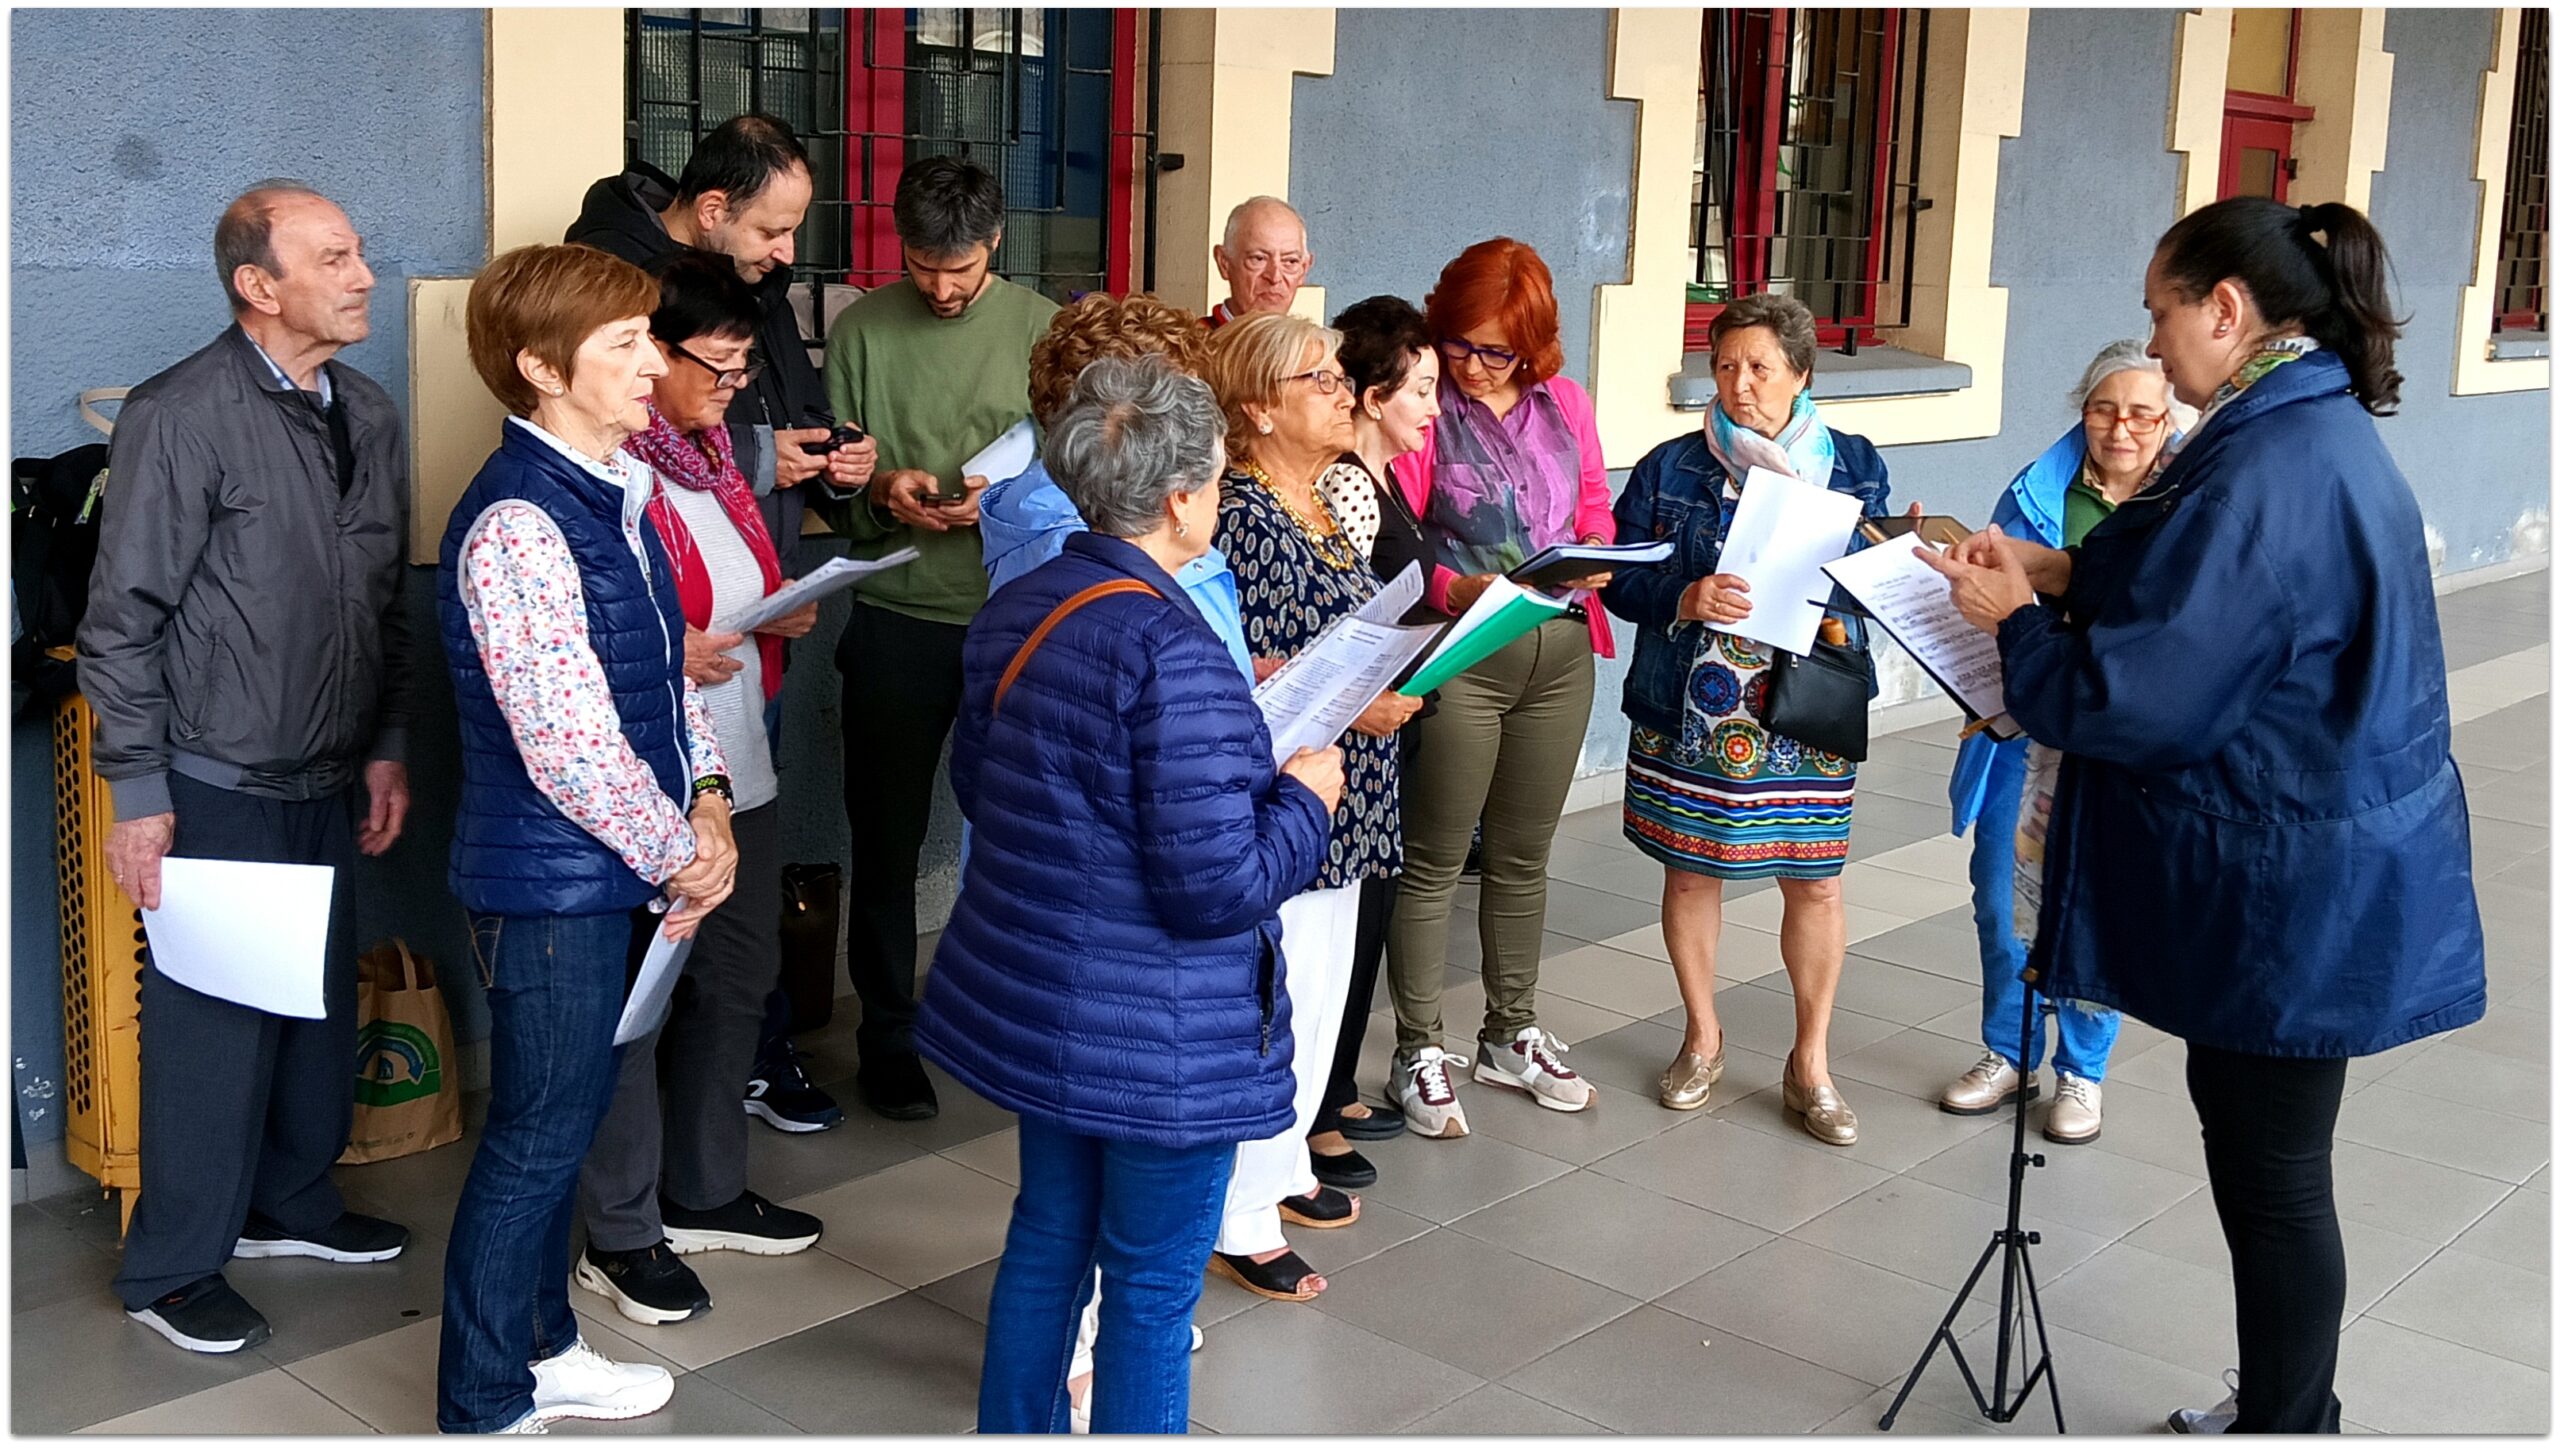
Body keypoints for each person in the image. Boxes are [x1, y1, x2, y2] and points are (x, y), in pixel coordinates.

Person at [1921, 197, 2488, 1434]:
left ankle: (2288, 1420)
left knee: (2275, 1178)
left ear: (2225, 309)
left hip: (2297, 875)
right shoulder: (2294, 425)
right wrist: (2056, 570)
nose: (2152, 342)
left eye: (2160, 312)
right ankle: (2285, 1406)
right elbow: (2180, 576)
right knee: (2266, 1160)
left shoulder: (2263, 466)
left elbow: (2135, 697)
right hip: (2322, 848)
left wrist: (2015, 628)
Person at [913, 354, 1341, 1433]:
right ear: (1184, 497)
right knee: (1150, 1288)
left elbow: (989, 785)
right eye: (1217, 479)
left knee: (1047, 1238)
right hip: (1160, 1035)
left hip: (1047, 1000)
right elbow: (1221, 887)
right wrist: (1305, 798)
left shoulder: (1023, 603)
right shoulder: (1173, 647)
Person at [80, 182, 415, 1355]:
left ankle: (288, 1202)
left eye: (359, 251)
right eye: (333, 258)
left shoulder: (367, 410)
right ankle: (171, 1268)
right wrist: (140, 795)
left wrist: (387, 744)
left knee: (312, 1013)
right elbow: (121, 623)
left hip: (329, 771)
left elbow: (386, 603)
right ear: (257, 285)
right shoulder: (180, 414)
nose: (363, 275)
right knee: (212, 1036)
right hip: (215, 777)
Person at [435, 243, 741, 1433]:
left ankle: (543, 1347)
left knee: (563, 1130)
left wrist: (708, 798)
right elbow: (566, 745)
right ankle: (481, 1396)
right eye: (624, 343)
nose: (653, 364)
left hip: (615, 867)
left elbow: (662, 684)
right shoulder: (520, 520)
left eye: (648, 338)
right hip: (550, 886)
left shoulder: (617, 487)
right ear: (541, 366)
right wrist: (682, 851)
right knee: (534, 1139)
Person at [567, 111, 872, 1136]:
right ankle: (641, 1174)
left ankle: (718, 1125)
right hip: (663, 724)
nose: (787, 253)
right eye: (773, 230)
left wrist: (832, 460)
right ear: (709, 210)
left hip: (740, 679)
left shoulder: (749, 294)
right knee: (657, 955)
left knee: (736, 935)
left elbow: (767, 421)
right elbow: (624, 530)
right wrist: (755, 453)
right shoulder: (619, 295)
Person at [570, 251, 829, 1329]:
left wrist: (780, 606)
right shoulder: (612, 472)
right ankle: (622, 1228)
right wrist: (675, 648)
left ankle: (705, 1187)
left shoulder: (715, 459)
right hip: (650, 777)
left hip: (736, 759)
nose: (731, 388)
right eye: (714, 367)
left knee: (736, 975)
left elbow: (731, 589)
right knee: (639, 1000)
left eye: (741, 369)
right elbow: (595, 638)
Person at [1599, 292, 1892, 1145]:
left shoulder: (1853, 462)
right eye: (1725, 365)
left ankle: (1812, 1065)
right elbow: (1618, 578)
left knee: (1817, 880)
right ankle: (1702, 1038)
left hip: (1804, 706)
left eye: (1760, 366)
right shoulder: (1670, 468)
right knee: (1692, 873)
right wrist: (1682, 594)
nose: (1740, 383)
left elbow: (1869, 583)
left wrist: (1879, 559)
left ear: (1801, 374)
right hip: (1691, 703)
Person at [818, 155, 1060, 1121]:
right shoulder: (862, 330)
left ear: (994, 242)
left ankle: (1016, 1023)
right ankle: (887, 1037)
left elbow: (1079, 469)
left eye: (960, 268)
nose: (942, 287)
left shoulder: (1042, 328)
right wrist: (884, 490)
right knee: (885, 840)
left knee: (1030, 837)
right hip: (897, 615)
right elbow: (834, 480)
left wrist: (1002, 498)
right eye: (923, 266)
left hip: (1022, 622)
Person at [1200, 313, 1423, 1301]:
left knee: (1324, 993)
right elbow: (1244, 674)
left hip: (1346, 782)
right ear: (1257, 407)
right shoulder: (1243, 514)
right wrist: (1357, 698)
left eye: (1338, 375)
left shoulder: (1326, 499)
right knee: (1274, 1005)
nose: (1342, 392)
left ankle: (1282, 1162)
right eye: (1319, 379)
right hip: (1285, 791)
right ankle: (1239, 1216)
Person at [1382, 238, 1618, 1139]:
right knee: (1435, 858)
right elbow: (1398, 536)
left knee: (1523, 856)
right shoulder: (1425, 404)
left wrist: (1596, 554)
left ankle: (1510, 1032)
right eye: (1462, 344)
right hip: (1463, 652)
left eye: (1498, 351)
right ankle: (1417, 1048)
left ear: (1533, 345)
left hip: (1560, 650)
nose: (1476, 366)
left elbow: (1592, 504)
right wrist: (1456, 588)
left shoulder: (1565, 402)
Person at [1935, 340, 2189, 1144]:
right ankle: (2009, 1051)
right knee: (2000, 894)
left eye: (2142, 413)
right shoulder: (2037, 491)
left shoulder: (2189, 498)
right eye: (2104, 409)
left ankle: (2083, 1070)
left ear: (2169, 420)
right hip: (2025, 720)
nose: (2121, 428)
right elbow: (1990, 597)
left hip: (2115, 732)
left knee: (2095, 897)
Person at [1300, 293, 1446, 1186]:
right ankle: (1317, 1112)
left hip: (1390, 715)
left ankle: (1338, 1084)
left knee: (1369, 916)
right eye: (1420, 389)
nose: (1434, 406)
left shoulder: (1385, 478)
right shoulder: (1349, 486)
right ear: (1373, 395)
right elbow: (1347, 617)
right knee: (1345, 926)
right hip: (1357, 724)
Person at [1206, 196, 1313, 329]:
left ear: (1304, 269)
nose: (1275, 278)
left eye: (1290, 261)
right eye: (1258, 259)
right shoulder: (1192, 341)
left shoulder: (1311, 342)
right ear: (1224, 263)